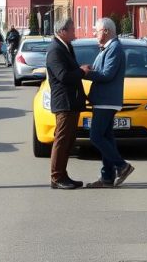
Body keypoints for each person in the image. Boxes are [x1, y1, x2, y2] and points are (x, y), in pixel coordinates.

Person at [81, 18, 133, 188]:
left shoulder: (115, 48)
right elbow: (102, 71)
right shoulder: (108, 48)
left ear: (106, 31)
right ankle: (107, 177)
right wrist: (91, 69)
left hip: (106, 100)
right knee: (107, 138)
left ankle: (122, 166)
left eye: (96, 30)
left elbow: (108, 74)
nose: (94, 33)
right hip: (104, 100)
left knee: (95, 136)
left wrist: (87, 73)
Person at [44, 18, 85, 190]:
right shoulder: (55, 50)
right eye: (72, 29)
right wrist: (82, 71)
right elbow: (63, 76)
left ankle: (63, 173)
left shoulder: (66, 46)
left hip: (72, 101)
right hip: (64, 102)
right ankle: (56, 177)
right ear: (62, 31)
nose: (75, 32)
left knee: (69, 140)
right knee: (61, 139)